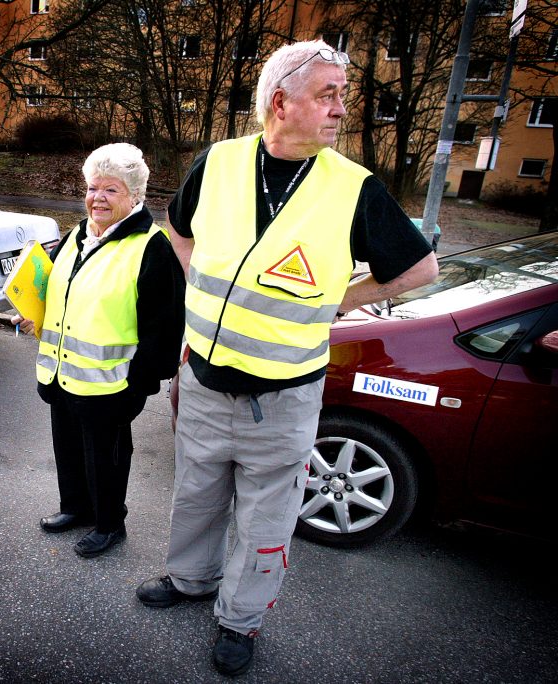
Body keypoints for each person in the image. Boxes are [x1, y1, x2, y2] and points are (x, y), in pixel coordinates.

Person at [135, 40, 439, 676]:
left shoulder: (353, 188)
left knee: (267, 515)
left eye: (341, 97)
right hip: (204, 382)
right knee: (195, 495)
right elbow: (178, 225)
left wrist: (342, 301)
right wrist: (198, 287)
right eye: (328, 95)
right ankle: (190, 581)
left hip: (284, 396)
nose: (340, 109)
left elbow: (420, 268)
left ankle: (240, 620)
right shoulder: (217, 162)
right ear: (281, 102)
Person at [13, 143, 185, 559]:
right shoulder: (76, 235)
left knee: (106, 458)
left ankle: (109, 525)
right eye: (93, 188)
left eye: (111, 190)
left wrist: (137, 386)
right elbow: (61, 291)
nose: (98, 198)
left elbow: (164, 330)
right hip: (61, 372)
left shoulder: (151, 247)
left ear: (134, 196)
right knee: (67, 446)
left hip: (112, 384)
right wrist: (33, 314)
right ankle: (75, 507)